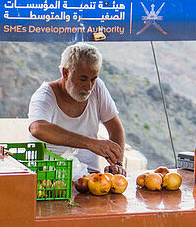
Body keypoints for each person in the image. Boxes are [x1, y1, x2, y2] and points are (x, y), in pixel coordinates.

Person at [27, 42, 126, 176]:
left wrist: (117, 163)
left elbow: (115, 127)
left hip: (92, 177)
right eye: (83, 79)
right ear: (66, 73)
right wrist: (90, 144)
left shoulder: (98, 88)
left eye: (93, 79)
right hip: (52, 179)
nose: (89, 86)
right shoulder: (45, 96)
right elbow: (38, 128)